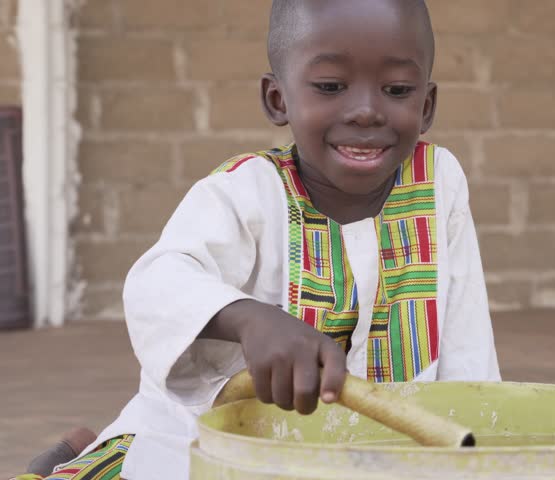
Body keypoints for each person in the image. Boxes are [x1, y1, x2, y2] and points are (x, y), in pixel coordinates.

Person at [13, 0, 500, 478]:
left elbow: (466, 342)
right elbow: (157, 283)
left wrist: (479, 442)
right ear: (277, 99)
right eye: (330, 86)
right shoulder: (244, 191)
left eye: (397, 89)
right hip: (215, 445)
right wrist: (250, 319)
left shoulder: (439, 182)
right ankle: (81, 456)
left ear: (427, 104)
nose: (367, 111)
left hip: (371, 456)